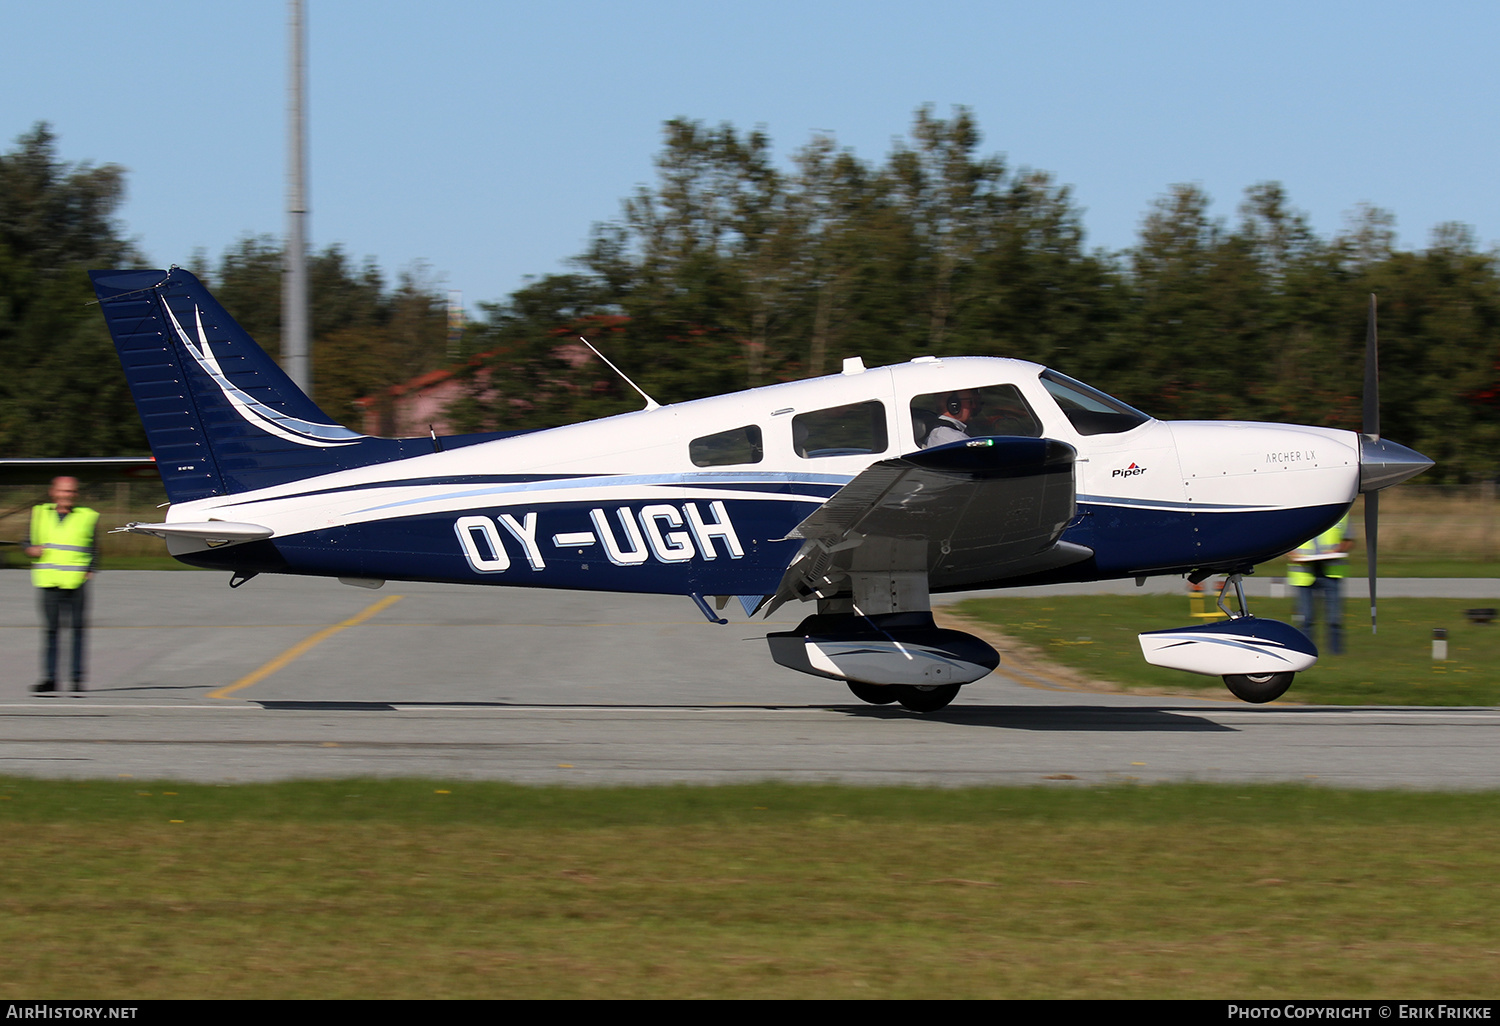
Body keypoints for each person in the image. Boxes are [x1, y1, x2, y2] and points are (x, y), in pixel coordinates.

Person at [24, 476, 99, 696]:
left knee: (77, 631)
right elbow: (26, 541)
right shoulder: (40, 514)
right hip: (48, 582)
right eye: (64, 491)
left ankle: (76, 679)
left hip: (77, 583)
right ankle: (49, 679)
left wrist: (92, 569)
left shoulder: (87, 516)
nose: (68, 496)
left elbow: (94, 546)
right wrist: (30, 549)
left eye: (72, 492)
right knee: (51, 631)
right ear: (54, 492)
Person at [1286, 514, 1352, 656]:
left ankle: (1336, 654)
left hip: (1331, 570)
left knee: (1334, 619)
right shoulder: (1296, 515)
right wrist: (1293, 555)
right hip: (1304, 573)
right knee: (1306, 619)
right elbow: (1284, 541)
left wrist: (1336, 551)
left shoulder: (1342, 513)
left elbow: (1348, 539)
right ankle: (1305, 653)